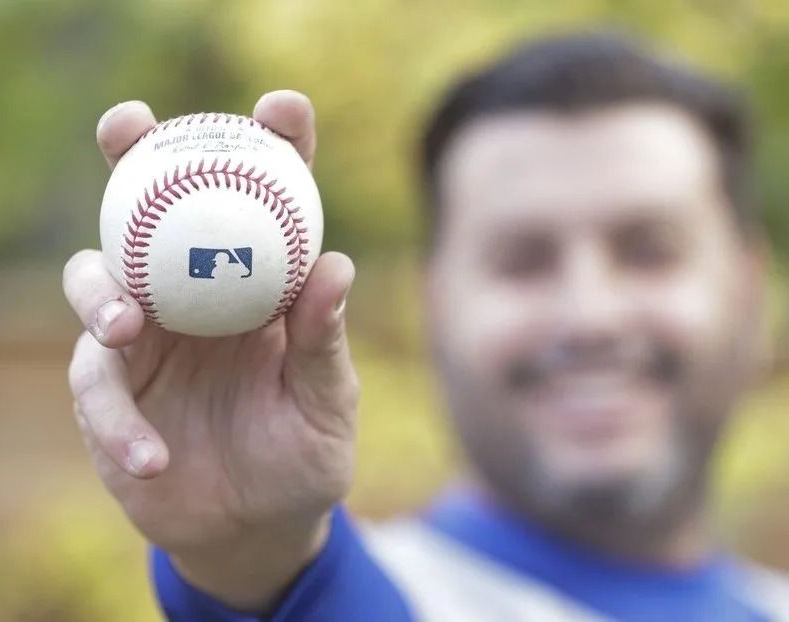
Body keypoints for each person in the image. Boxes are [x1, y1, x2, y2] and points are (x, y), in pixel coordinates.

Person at [63, 32, 789, 621]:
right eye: (522, 261)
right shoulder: (365, 597)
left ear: (749, 288)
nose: (589, 315)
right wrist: (253, 560)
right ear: (434, 303)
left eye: (648, 251)